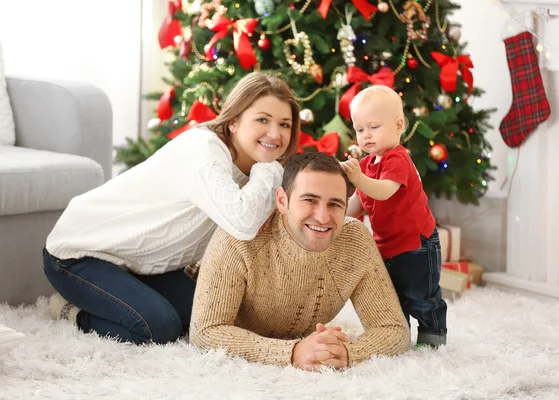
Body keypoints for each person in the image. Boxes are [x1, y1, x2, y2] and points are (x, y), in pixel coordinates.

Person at [42, 72, 300, 344]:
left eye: (285, 124)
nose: (275, 134)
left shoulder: (258, 171)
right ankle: (71, 310)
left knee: (207, 317)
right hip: (80, 252)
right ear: (234, 121)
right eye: (263, 119)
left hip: (140, 263)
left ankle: (124, 295)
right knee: (159, 327)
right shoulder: (205, 150)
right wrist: (270, 169)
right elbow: (243, 222)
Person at [189, 152, 410, 370]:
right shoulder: (239, 236)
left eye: (334, 204)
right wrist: (292, 352)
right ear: (282, 201)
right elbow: (205, 331)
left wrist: (348, 353)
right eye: (310, 200)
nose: (323, 217)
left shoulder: (355, 241)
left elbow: (393, 328)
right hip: (183, 283)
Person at [340, 85, 447, 347]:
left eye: (373, 127)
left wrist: (357, 179)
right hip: (387, 246)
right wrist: (336, 216)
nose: (365, 136)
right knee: (395, 296)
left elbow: (384, 191)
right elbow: (356, 204)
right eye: (359, 129)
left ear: (398, 125)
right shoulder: (366, 165)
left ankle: (433, 338)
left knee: (421, 295)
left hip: (416, 243)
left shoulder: (397, 159)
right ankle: (398, 337)